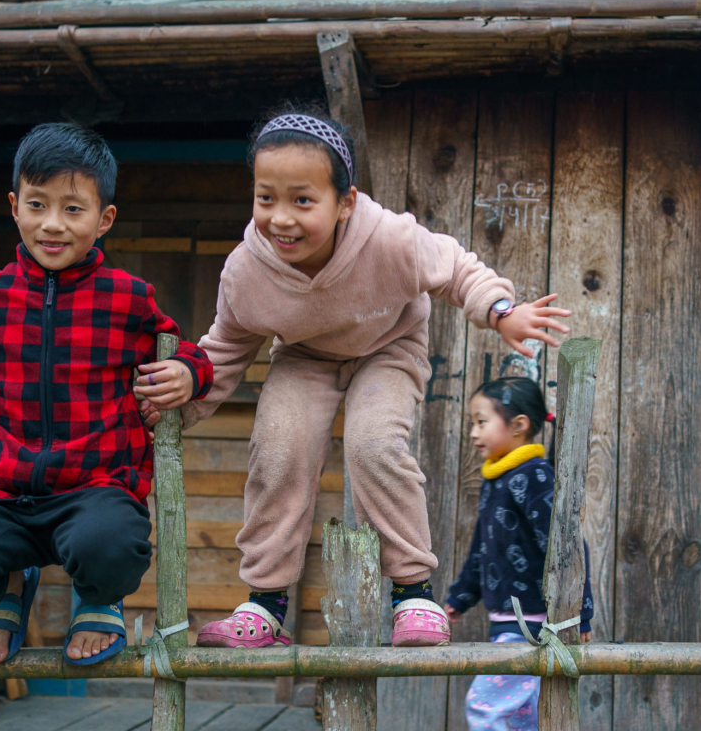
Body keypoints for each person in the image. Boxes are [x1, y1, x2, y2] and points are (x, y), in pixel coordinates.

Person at [176, 103, 571, 649]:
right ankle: (265, 606)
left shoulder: (389, 239)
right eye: (266, 197)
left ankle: (413, 594)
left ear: (345, 203)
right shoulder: (248, 270)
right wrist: (177, 403)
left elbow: (457, 268)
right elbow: (225, 348)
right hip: (305, 357)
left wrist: (501, 310)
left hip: (389, 346)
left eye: (303, 200)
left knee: (373, 443)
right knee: (278, 446)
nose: (281, 218)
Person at [0, 123, 213, 666]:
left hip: (93, 489)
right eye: (37, 204)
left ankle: (98, 599)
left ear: (104, 219)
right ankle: (5, 587)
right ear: (14, 206)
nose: (52, 225)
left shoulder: (126, 298)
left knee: (114, 548)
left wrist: (189, 374)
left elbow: (186, 351)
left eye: (73, 210)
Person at [445, 377, 593, 731]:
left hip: (533, 625)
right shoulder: (495, 479)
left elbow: (568, 546)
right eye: (472, 423)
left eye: (481, 421)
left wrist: (580, 612)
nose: (473, 432)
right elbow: (482, 549)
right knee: (521, 718)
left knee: (486, 709)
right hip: (509, 623)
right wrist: (460, 598)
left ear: (519, 426)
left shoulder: (535, 476)